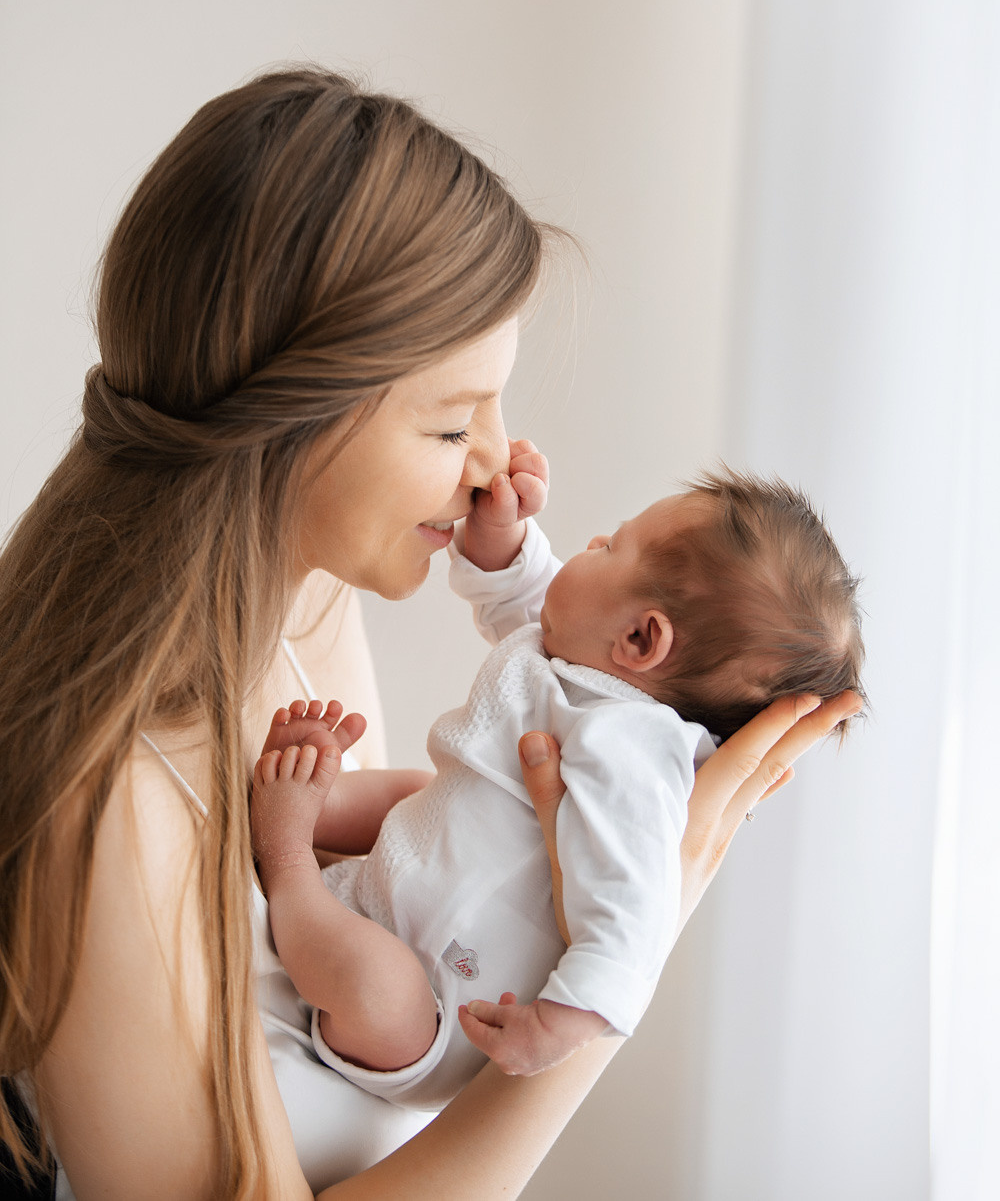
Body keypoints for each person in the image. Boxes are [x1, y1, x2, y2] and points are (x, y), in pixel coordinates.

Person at [0, 67, 861, 1201]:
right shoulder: (114, 808)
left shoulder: (307, 618)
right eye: (454, 422)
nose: (500, 461)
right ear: (288, 422)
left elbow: (402, 925)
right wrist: (642, 935)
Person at [251, 465, 866, 1105]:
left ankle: (287, 856)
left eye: (611, 546)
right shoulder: (583, 664)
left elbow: (636, 912)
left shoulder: (636, 756)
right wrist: (502, 539)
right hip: (393, 886)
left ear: (640, 638)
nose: (593, 543)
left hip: (427, 1006)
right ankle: (308, 800)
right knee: (415, 789)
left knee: (381, 987)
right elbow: (534, 599)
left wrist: (561, 1022)